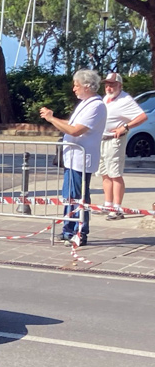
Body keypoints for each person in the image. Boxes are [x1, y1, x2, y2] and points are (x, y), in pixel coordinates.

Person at [40, 69, 107, 246]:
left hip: (81, 160)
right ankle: (68, 229)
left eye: (76, 85)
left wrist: (51, 119)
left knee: (79, 196)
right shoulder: (85, 103)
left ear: (87, 86)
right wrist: (53, 118)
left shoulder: (96, 106)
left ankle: (79, 231)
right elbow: (70, 125)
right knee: (69, 195)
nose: (74, 89)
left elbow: (75, 130)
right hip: (72, 158)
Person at [92, 72, 148, 220]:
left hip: (114, 140)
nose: (109, 88)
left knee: (115, 174)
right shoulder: (107, 98)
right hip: (102, 139)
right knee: (104, 173)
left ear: (120, 85)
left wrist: (125, 127)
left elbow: (142, 116)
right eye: (107, 85)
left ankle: (117, 208)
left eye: (112, 85)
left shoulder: (125, 99)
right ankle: (108, 204)